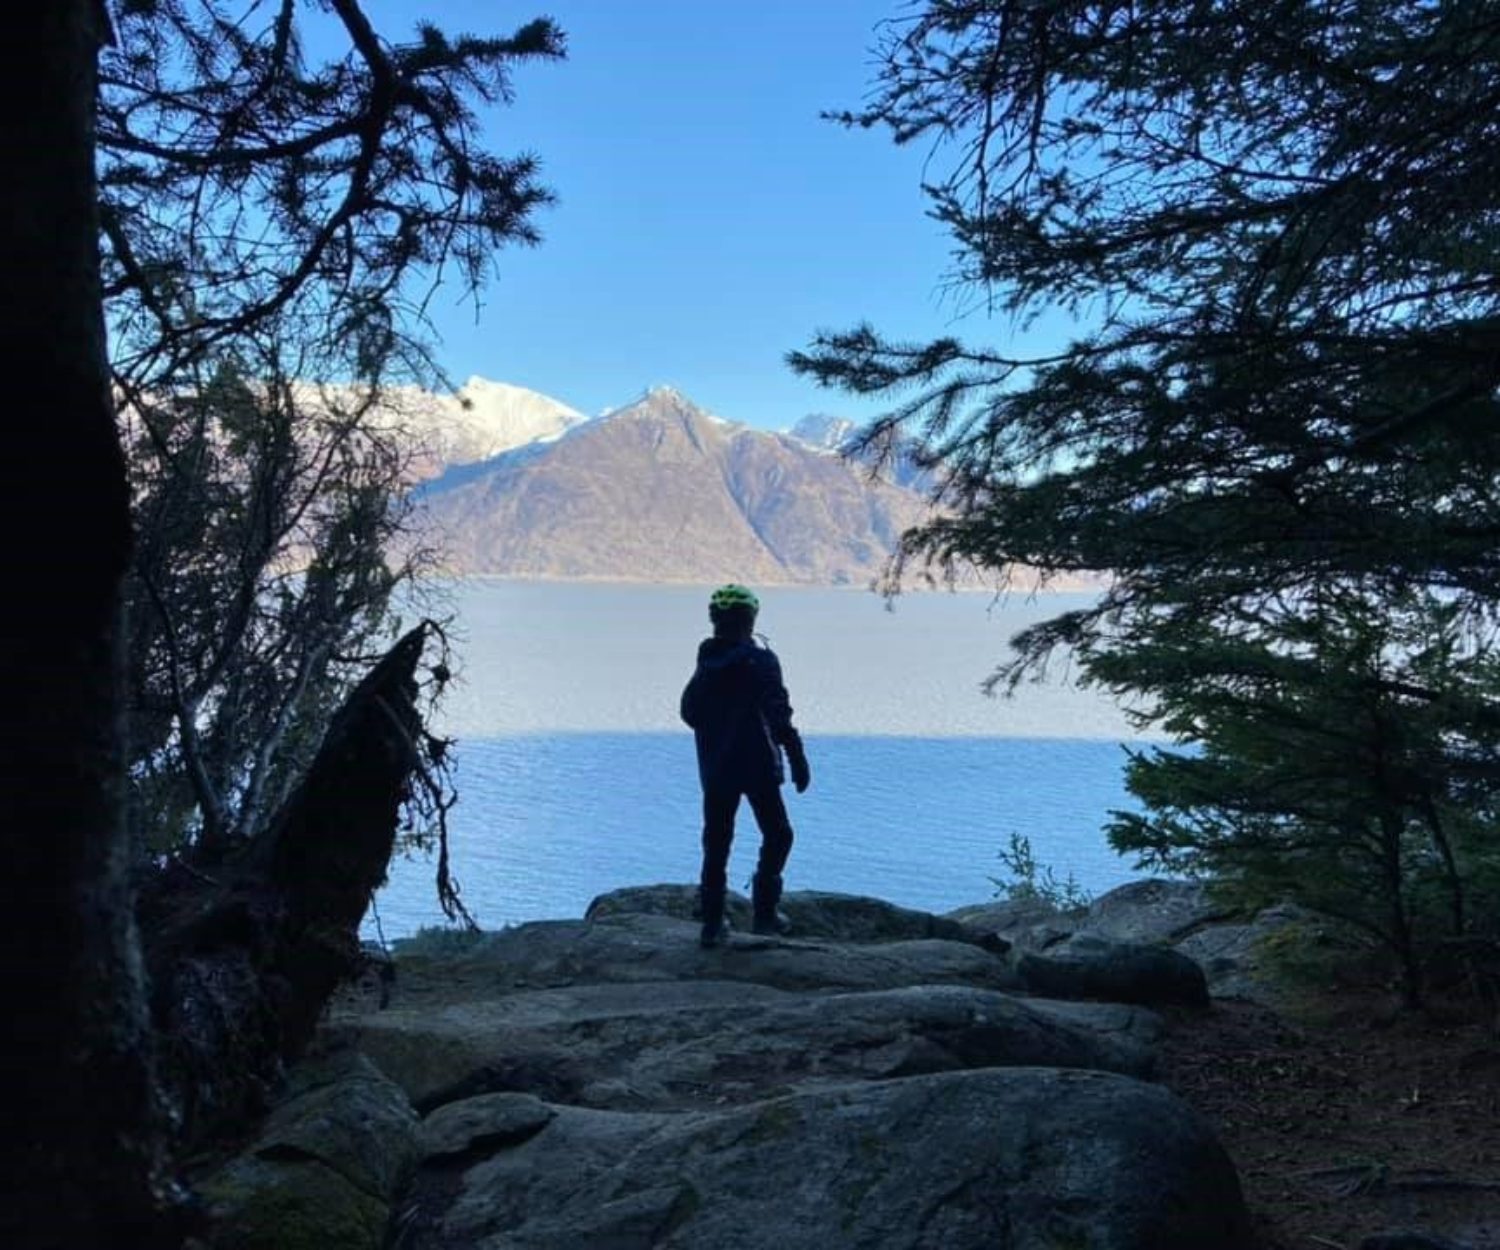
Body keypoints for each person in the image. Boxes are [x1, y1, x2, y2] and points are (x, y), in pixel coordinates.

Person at [680, 584, 810, 948]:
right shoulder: (761, 661)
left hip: (716, 766)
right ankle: (765, 915)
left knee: (717, 842)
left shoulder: (706, 661)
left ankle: (711, 924)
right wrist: (796, 755)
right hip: (757, 764)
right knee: (779, 834)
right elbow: (778, 711)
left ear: (715, 620)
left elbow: (689, 713)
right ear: (751, 619)